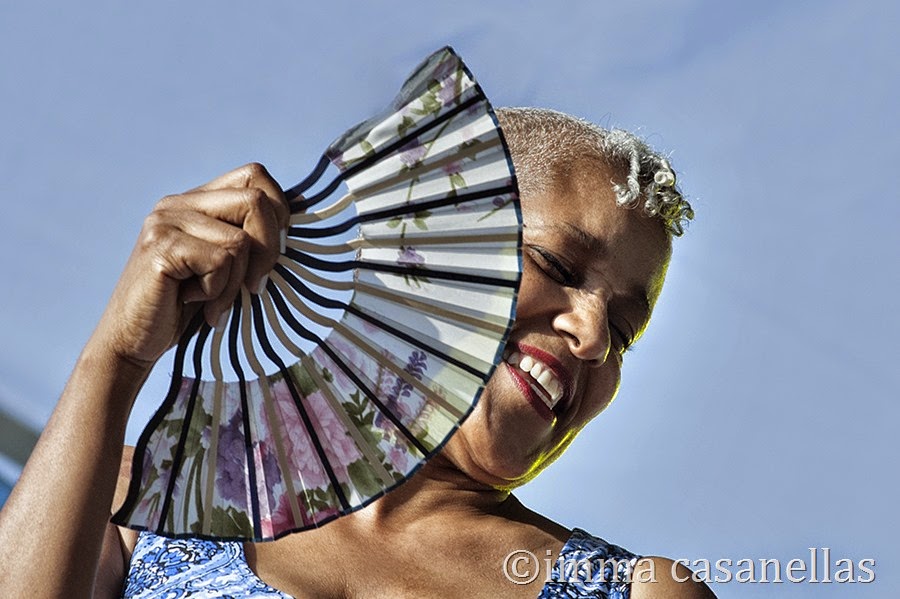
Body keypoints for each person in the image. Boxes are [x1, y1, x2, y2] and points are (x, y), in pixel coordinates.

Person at [0, 107, 714, 598]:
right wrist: (119, 357)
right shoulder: (138, 496)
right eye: (557, 266)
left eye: (622, 332)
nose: (590, 333)